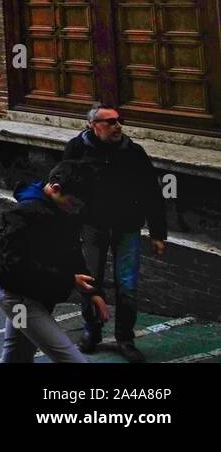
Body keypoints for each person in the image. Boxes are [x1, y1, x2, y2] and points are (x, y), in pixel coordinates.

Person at [63, 105, 167, 362]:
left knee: (127, 285)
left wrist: (157, 233)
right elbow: (64, 186)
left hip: (127, 226)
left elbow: (151, 192)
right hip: (91, 226)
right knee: (89, 281)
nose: (117, 126)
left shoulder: (133, 152)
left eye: (119, 121)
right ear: (92, 126)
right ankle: (92, 331)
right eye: (109, 122)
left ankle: (125, 338)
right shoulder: (76, 149)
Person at [0, 161, 102, 363]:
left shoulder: (63, 211)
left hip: (34, 296)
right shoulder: (23, 213)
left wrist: (91, 292)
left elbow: (73, 252)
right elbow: (14, 264)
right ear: (55, 189)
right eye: (73, 203)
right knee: (72, 360)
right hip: (19, 300)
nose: (75, 210)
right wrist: (69, 280)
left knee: (17, 356)